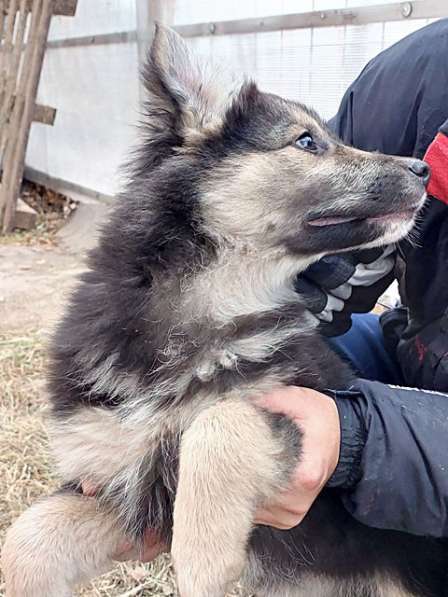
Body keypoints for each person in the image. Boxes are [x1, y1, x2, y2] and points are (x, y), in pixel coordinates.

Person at [85, 18, 448, 558]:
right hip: (418, 354)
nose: (410, 170)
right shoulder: (415, 78)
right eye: (310, 143)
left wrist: (357, 441)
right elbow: (318, 281)